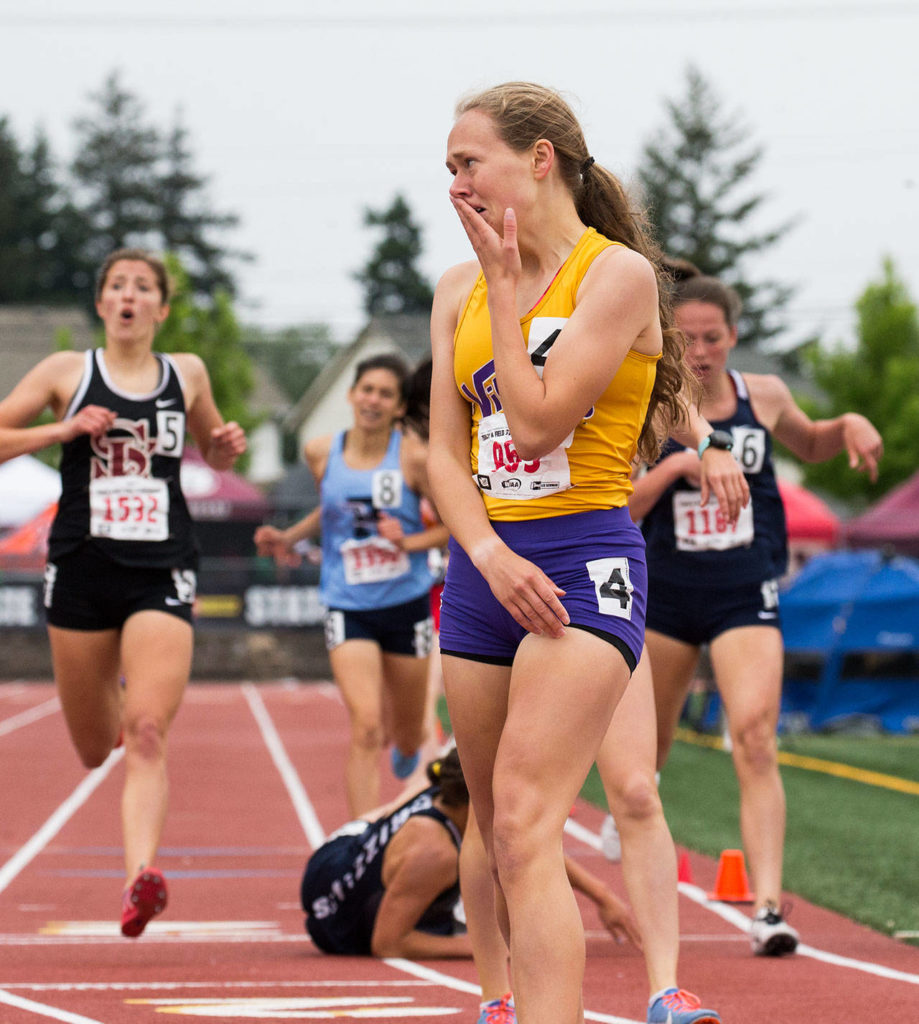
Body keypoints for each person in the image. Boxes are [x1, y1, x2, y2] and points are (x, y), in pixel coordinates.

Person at [426, 82, 745, 1024]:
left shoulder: (616, 279)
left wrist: (514, 290)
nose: (455, 185)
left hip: (581, 565)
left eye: (468, 163)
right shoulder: (455, 288)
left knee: (528, 822)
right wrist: (484, 554)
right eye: (446, 169)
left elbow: (530, 427)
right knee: (493, 830)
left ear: (540, 159)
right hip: (487, 571)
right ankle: (500, 1001)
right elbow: (448, 452)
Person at [633, 273, 884, 956]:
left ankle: (767, 907)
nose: (700, 350)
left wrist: (848, 424)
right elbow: (619, 508)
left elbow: (810, 442)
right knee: (645, 751)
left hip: (745, 585)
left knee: (754, 736)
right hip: (666, 590)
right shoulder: (650, 409)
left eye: (711, 337)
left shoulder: (761, 396)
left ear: (732, 338)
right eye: (684, 339)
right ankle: (639, 853)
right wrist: (678, 469)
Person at [0, 247, 247, 937]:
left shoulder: (186, 372)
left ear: (161, 309)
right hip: (80, 569)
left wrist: (227, 444)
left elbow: (214, 448)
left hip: (161, 569)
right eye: (118, 285)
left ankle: (141, 875)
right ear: (103, 305)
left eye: (143, 287)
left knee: (145, 731)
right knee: (91, 746)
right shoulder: (67, 373)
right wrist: (61, 430)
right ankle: (110, 702)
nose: (130, 296)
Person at [254, 354, 446, 817]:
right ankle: (358, 836)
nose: (373, 400)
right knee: (365, 726)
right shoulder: (322, 452)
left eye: (385, 394)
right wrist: (288, 536)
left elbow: (456, 524)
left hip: (405, 603)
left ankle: (406, 746)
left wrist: (410, 541)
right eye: (367, 390)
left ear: (400, 406)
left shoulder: (415, 457)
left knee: (409, 733)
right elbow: (334, 510)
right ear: (351, 394)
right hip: (347, 604)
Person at [301, 748, 640, 961]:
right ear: (476, 800)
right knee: (462, 915)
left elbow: (528, 847)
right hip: (336, 916)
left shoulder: (447, 789)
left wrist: (603, 895)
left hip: (349, 853)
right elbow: (388, 944)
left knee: (497, 856)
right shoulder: (436, 856)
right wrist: (485, 949)